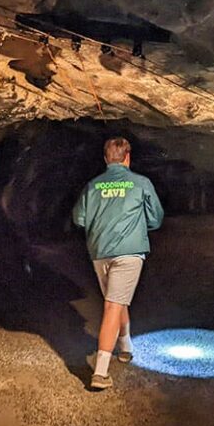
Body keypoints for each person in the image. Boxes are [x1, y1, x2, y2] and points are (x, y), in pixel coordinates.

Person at [72, 137, 164, 390]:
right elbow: (156, 218)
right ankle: (100, 372)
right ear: (127, 158)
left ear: (105, 159)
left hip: (100, 251)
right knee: (114, 304)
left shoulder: (92, 186)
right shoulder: (141, 183)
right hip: (129, 252)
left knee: (116, 298)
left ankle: (125, 346)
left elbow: (79, 218)